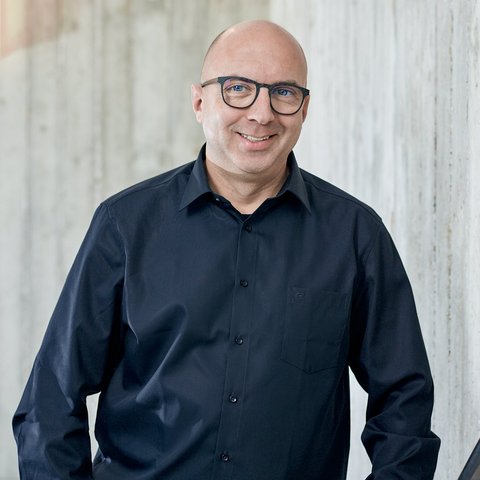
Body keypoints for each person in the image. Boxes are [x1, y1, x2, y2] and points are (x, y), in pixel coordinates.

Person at [13, 20, 440, 480]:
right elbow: (50, 403)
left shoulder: (355, 235)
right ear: (199, 101)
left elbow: (404, 401)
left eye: (284, 92)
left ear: (304, 108)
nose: (262, 113)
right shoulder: (125, 225)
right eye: (238, 88)